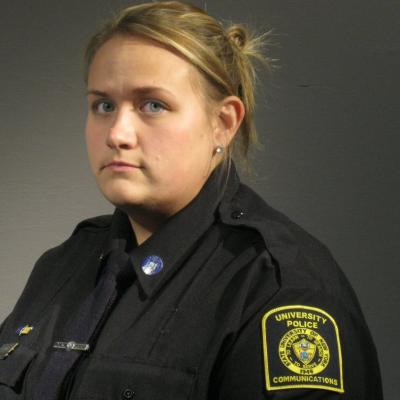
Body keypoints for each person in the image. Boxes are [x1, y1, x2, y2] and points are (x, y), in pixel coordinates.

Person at [0, 1, 383, 399]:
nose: (117, 133)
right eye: (104, 105)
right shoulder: (61, 268)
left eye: (153, 105)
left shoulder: (277, 288)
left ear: (223, 123)